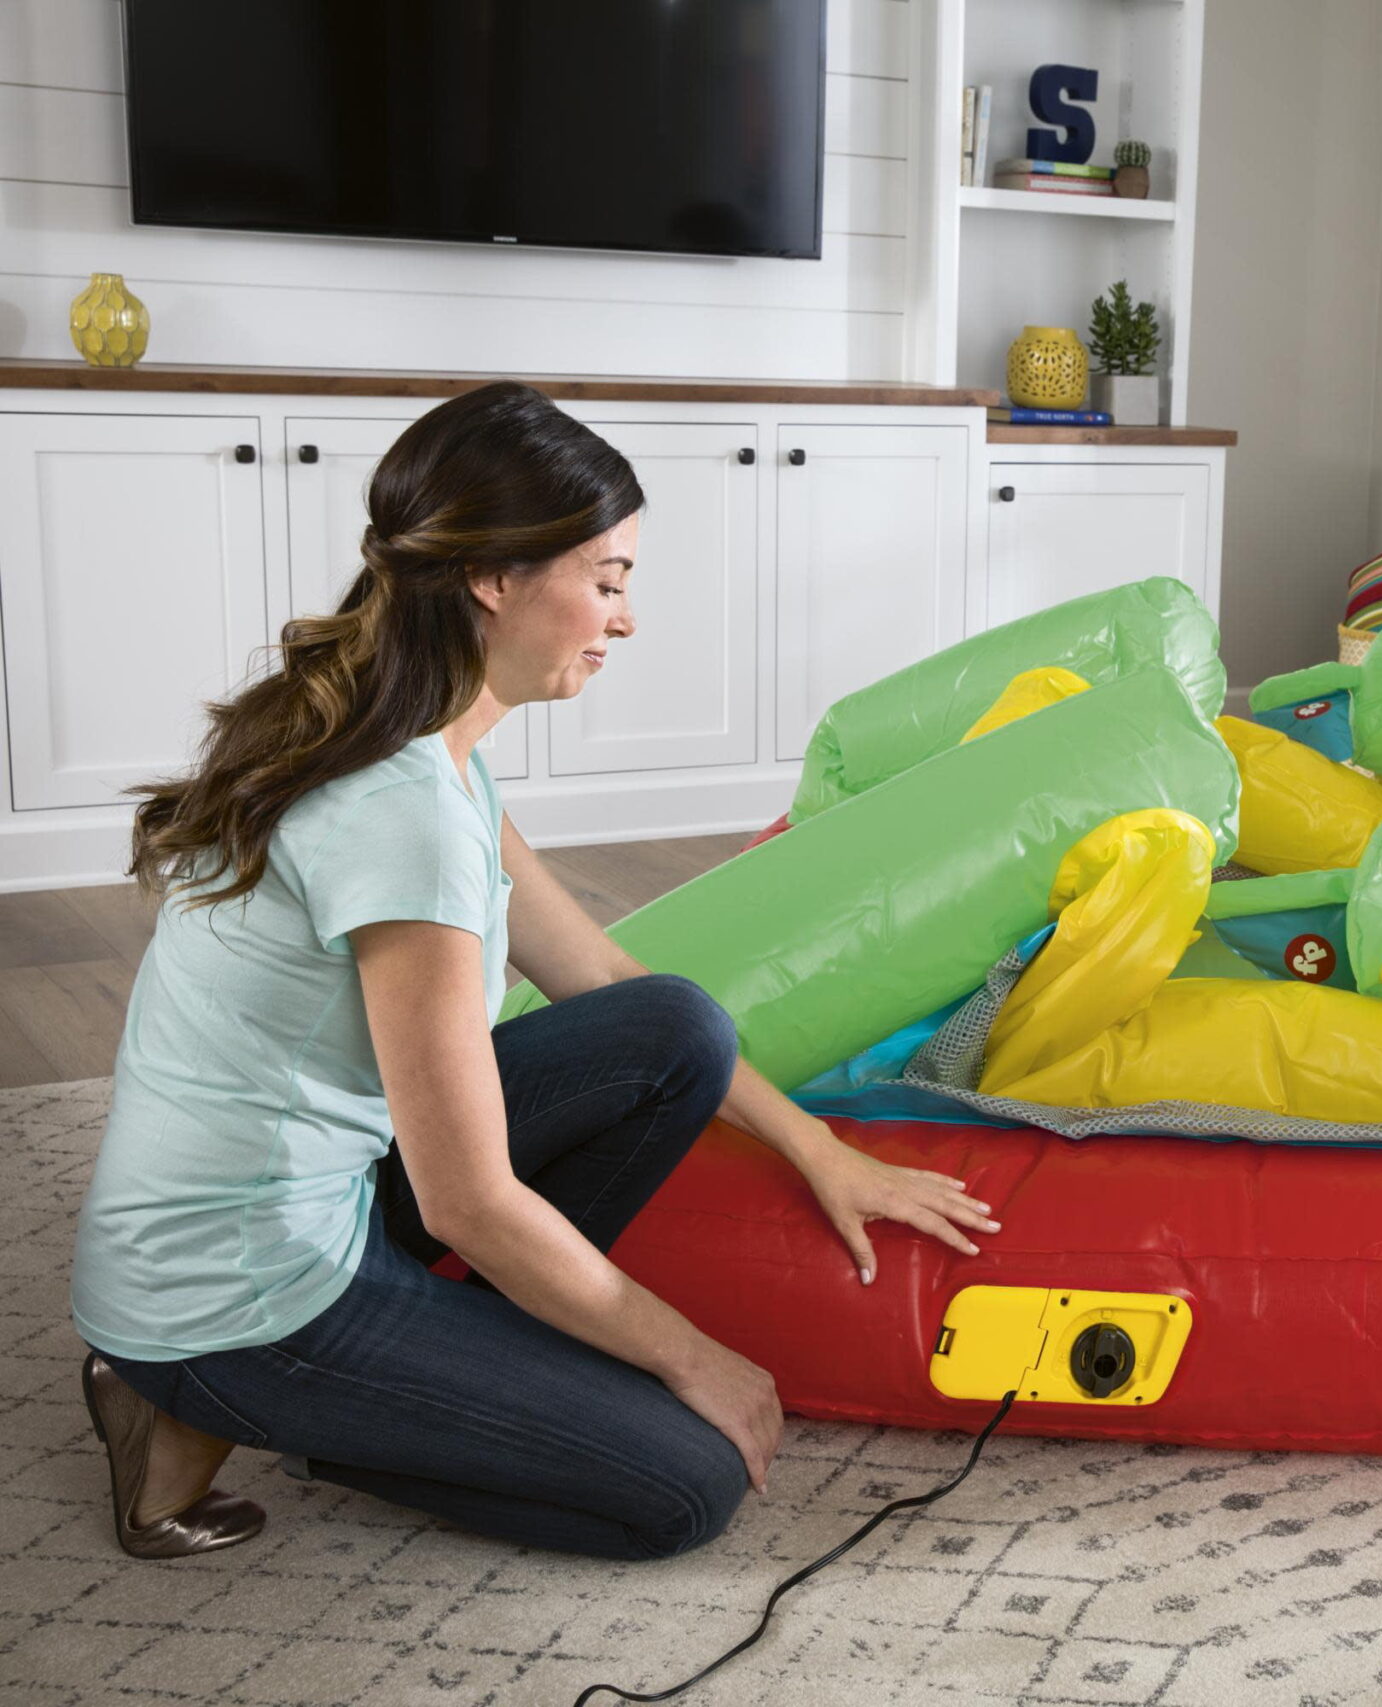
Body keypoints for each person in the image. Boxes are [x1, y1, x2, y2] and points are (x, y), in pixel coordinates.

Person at [69, 381, 999, 1562]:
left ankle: (427, 1369)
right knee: (685, 1483)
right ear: (491, 579)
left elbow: (604, 977)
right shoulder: (401, 809)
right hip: (235, 1298)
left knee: (672, 1028)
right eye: (606, 581)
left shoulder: (417, 739)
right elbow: (465, 1201)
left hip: (296, 1204)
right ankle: (245, 1407)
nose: (625, 618)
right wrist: (695, 1357)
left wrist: (821, 1150)